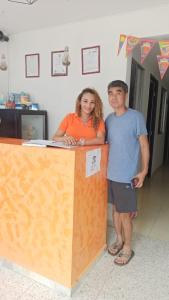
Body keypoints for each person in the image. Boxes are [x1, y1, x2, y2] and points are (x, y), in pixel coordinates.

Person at [106, 80, 149, 266]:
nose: (114, 97)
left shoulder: (136, 117)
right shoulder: (109, 119)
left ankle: (128, 247)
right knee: (115, 210)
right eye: (110, 93)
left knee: (125, 214)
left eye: (118, 93)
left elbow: (144, 144)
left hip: (126, 176)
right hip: (111, 174)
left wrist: (144, 171)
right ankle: (118, 239)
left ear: (125, 95)